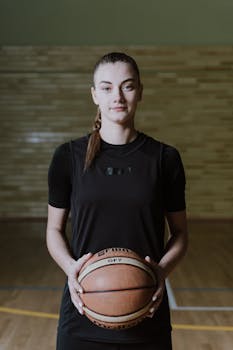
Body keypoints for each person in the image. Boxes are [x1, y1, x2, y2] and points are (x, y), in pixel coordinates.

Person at [46, 52, 188, 350]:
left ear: (140, 91)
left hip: (146, 308)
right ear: (94, 94)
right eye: (107, 87)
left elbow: (180, 234)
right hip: (83, 309)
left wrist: (160, 271)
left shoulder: (165, 159)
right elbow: (54, 230)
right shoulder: (67, 157)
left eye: (128, 86)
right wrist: (71, 267)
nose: (118, 96)